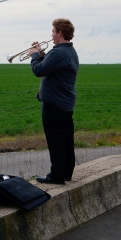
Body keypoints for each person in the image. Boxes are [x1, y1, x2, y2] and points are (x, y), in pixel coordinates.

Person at [28, 18, 79, 184]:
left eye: (52, 31)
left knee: (55, 140)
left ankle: (56, 176)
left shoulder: (58, 52)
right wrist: (42, 54)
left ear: (59, 33)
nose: (51, 35)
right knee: (65, 139)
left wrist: (34, 55)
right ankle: (66, 172)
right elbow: (51, 66)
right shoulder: (70, 51)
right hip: (65, 103)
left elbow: (39, 70)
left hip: (54, 103)